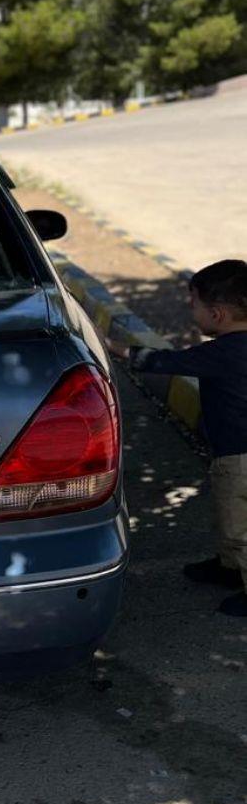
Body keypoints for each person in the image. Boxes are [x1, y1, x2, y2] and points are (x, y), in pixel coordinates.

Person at [115, 259, 247, 618]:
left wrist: (115, 347)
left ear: (217, 314)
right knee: (231, 516)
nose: (191, 312)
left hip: (238, 457)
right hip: (233, 452)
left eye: (193, 305)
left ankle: (237, 568)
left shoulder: (222, 352)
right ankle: (229, 566)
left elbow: (167, 362)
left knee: (239, 526)